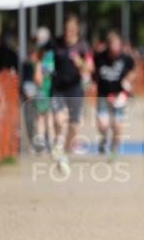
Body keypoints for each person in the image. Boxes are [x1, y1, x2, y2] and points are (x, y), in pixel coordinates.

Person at [48, 15, 94, 175]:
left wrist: (79, 62)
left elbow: (90, 67)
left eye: (72, 29)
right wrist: (41, 69)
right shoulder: (55, 43)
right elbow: (43, 58)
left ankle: (65, 153)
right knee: (59, 120)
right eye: (67, 29)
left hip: (75, 89)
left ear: (77, 30)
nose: (69, 32)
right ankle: (56, 144)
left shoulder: (82, 46)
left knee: (75, 126)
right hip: (58, 88)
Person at [93, 30, 136, 159]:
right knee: (103, 125)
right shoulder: (99, 57)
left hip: (119, 96)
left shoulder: (126, 58)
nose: (114, 51)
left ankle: (113, 151)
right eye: (112, 47)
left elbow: (133, 71)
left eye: (117, 47)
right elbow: (92, 71)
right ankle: (103, 138)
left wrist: (128, 80)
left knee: (117, 125)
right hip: (103, 95)